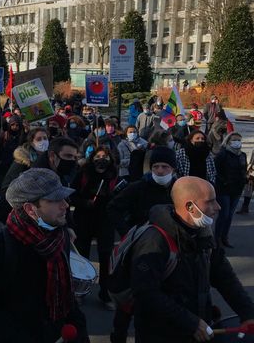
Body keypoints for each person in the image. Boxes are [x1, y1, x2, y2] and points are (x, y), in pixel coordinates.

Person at [129, 176, 254, 342]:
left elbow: (225, 277)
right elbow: (145, 293)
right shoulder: (154, 240)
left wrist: (248, 312)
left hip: (196, 330)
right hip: (160, 334)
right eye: (210, 201)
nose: (218, 207)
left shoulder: (204, 233)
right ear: (190, 207)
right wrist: (190, 323)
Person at [0, 168, 89, 342]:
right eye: (55, 200)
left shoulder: (60, 235)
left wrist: (79, 329)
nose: (65, 205)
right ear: (30, 208)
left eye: (64, 198)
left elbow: (65, 292)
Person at [107, 146, 177, 343]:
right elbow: (113, 208)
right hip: (139, 249)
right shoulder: (138, 187)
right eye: (156, 166)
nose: (160, 171)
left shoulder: (179, 189)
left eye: (164, 166)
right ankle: (118, 334)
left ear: (173, 168)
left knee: (156, 299)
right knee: (129, 299)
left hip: (169, 252)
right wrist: (128, 232)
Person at [71, 146, 118, 309]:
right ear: (92, 159)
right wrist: (84, 203)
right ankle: (80, 291)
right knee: (82, 257)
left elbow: (120, 198)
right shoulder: (83, 174)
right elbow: (71, 195)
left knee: (105, 258)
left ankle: (105, 293)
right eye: (97, 156)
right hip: (84, 218)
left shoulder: (114, 176)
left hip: (105, 220)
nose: (101, 159)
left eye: (105, 156)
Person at [0, 127, 49, 224]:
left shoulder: (48, 160)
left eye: (45, 138)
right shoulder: (22, 162)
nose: (43, 141)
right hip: (19, 212)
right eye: (39, 139)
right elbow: (7, 188)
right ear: (32, 142)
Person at [214, 132, 247, 248]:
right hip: (224, 189)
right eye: (234, 140)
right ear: (228, 142)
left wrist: (244, 180)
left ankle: (224, 237)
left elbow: (244, 170)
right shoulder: (223, 154)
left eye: (239, 140)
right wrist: (224, 182)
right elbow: (215, 171)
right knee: (224, 214)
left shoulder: (242, 155)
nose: (237, 142)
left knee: (230, 215)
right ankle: (216, 238)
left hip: (237, 189)